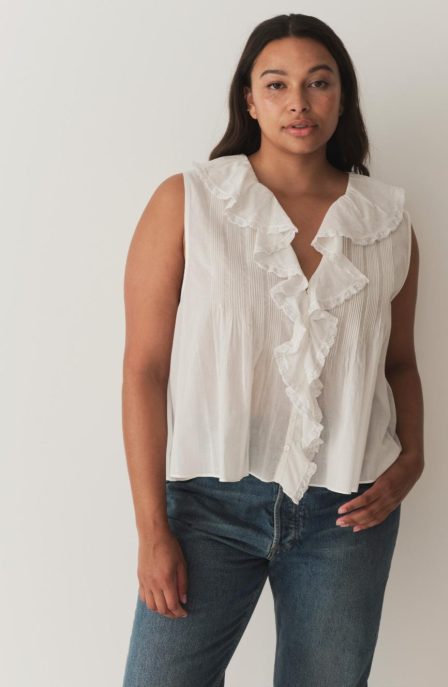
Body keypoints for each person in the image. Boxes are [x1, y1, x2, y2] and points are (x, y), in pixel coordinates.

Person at [121, 12, 424, 687]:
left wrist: (413, 458)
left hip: (348, 510)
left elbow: (399, 362)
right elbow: (144, 369)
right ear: (250, 100)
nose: (299, 102)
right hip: (208, 504)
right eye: (277, 84)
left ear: (341, 97)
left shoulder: (387, 220)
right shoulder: (190, 203)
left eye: (319, 82)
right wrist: (151, 530)